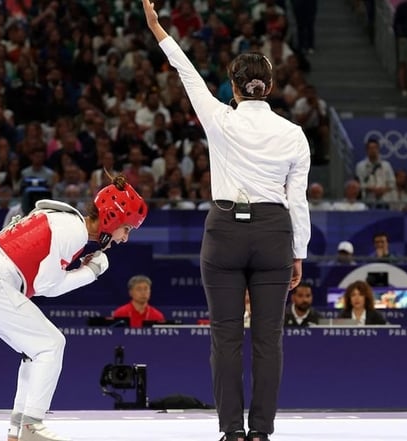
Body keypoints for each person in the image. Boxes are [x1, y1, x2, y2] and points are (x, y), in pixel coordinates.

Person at [141, 2, 311, 441]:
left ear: (234, 89)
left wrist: (159, 29)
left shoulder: (219, 118)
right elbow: (298, 202)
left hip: (225, 234)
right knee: (269, 340)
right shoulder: (293, 134)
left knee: (226, 337)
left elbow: (186, 72)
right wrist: (299, 254)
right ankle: (261, 432)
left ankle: (231, 431)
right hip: (275, 233)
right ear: (270, 87)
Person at [0, 174, 147, 441]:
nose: (125, 238)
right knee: (51, 344)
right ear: (113, 217)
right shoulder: (74, 231)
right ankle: (31, 427)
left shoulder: (68, 225)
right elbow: (48, 286)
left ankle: (18, 429)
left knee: (34, 351)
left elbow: (42, 281)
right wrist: (90, 272)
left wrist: (83, 268)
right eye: (126, 229)